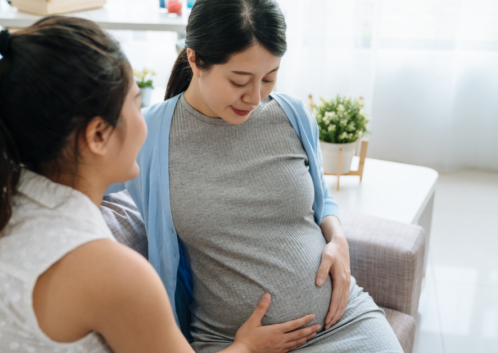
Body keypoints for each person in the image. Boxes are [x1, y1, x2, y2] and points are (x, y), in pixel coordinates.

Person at [0, 16, 320, 353]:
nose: (146, 117)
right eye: (135, 102)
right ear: (97, 135)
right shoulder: (114, 275)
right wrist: (244, 346)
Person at [105, 0, 404, 352]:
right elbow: (80, 181)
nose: (256, 97)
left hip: (344, 322)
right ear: (195, 59)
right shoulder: (149, 133)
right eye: (239, 81)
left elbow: (322, 197)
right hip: (232, 342)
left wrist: (338, 239)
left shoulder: (292, 114)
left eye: (269, 78)